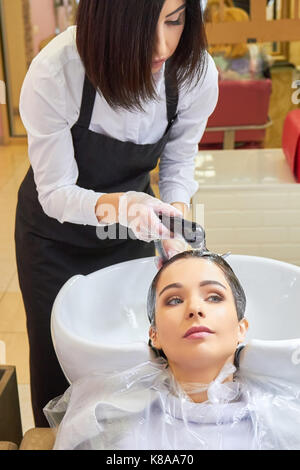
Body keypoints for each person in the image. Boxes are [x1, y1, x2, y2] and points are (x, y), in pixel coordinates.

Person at [15, 0, 219, 426]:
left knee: (135, 348)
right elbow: (55, 192)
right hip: (54, 238)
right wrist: (122, 206)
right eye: (145, 26)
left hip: (132, 228)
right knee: (60, 357)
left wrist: (173, 223)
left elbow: (180, 164)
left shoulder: (193, 73)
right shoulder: (56, 73)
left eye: (176, 20)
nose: (162, 44)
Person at [43, 250, 300, 450]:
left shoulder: (283, 423)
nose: (195, 309)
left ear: (241, 328)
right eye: (174, 300)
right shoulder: (112, 429)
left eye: (214, 297)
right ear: (154, 335)